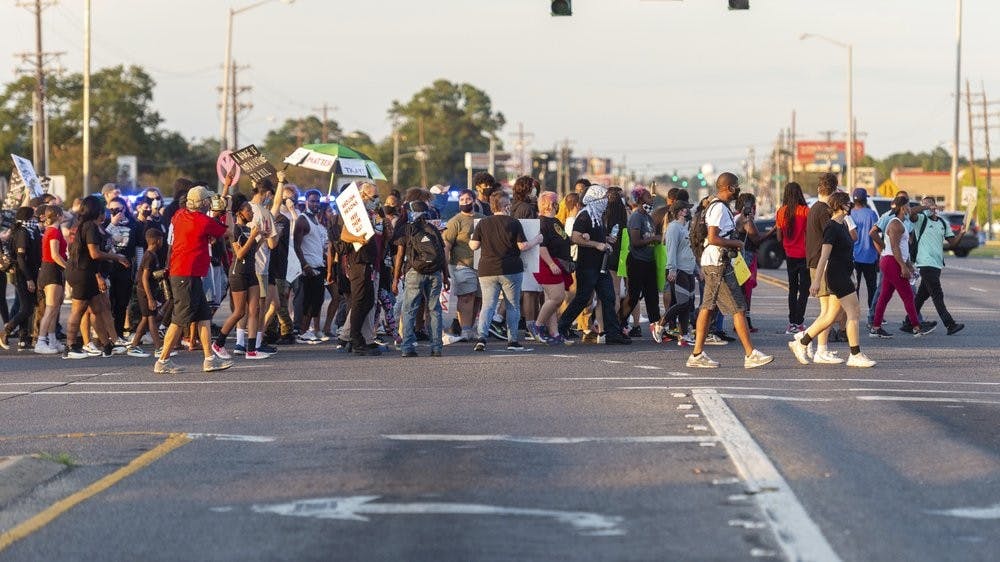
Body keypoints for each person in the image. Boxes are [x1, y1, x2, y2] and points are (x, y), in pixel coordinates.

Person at [685, 173, 772, 369]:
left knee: (717, 307)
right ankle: (748, 354)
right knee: (727, 307)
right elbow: (714, 237)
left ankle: (699, 354)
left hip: (717, 262)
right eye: (735, 186)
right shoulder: (718, 208)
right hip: (718, 262)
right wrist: (736, 242)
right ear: (727, 187)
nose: (737, 189)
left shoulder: (719, 207)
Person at [789, 191, 876, 368]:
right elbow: (823, 257)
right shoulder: (831, 227)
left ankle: (802, 342)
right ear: (839, 205)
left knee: (831, 316)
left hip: (844, 273)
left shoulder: (843, 225)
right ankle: (855, 354)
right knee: (854, 312)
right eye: (847, 203)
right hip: (836, 275)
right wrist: (816, 281)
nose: (850, 206)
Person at [154, 186, 233, 373]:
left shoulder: (180, 214)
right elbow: (227, 231)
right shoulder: (202, 221)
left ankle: (209, 359)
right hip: (186, 275)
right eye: (207, 200)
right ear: (204, 203)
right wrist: (226, 210)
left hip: (187, 273)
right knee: (179, 319)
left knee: (203, 316)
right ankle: (163, 360)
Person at [556, 185, 631, 346]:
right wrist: (597, 244)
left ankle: (612, 333)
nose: (605, 202)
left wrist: (606, 240)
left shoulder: (597, 216)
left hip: (600, 266)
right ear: (595, 200)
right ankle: (561, 327)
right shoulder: (585, 216)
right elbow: (575, 237)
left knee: (609, 297)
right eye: (602, 199)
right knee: (582, 299)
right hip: (587, 265)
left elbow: (595, 236)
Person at [470, 191, 543, 352]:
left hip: (487, 269)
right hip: (511, 269)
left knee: (487, 306)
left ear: (492, 205)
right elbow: (522, 246)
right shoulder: (513, 223)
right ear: (506, 206)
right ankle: (513, 340)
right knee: (513, 306)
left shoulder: (483, 223)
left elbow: (474, 246)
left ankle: (481, 338)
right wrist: (536, 240)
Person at [63, 196, 130, 359]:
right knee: (78, 310)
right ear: (96, 210)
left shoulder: (86, 225)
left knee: (98, 309)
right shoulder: (89, 227)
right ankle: (70, 346)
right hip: (82, 272)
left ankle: (107, 345)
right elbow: (94, 253)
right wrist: (117, 257)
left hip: (85, 271)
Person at [393, 200, 449, 357]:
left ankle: (407, 347)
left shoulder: (407, 230)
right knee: (434, 309)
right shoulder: (433, 229)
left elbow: (400, 255)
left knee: (410, 309)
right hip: (435, 273)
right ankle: (437, 347)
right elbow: (442, 254)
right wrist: (446, 276)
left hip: (414, 272)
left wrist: (395, 278)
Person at [213, 199, 267, 359]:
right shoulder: (235, 230)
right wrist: (253, 237)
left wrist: (262, 238)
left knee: (254, 310)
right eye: (248, 210)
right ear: (239, 213)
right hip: (238, 273)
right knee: (239, 312)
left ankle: (251, 350)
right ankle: (218, 344)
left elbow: (252, 251)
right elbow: (240, 254)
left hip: (251, 272)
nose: (251, 213)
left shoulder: (247, 229)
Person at [869, 194, 927, 338]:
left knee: (885, 296)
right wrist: (903, 266)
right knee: (907, 295)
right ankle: (916, 327)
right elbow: (895, 247)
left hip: (894, 260)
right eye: (908, 206)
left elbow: (903, 248)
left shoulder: (902, 222)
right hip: (891, 262)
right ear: (902, 207)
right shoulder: (895, 224)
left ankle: (876, 327)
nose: (910, 209)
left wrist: (909, 265)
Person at [338, 182, 384, 356]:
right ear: (363, 196)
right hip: (359, 262)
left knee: (368, 301)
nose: (376, 200)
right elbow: (344, 235)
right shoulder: (356, 213)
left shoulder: (369, 213)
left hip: (367, 262)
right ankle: (355, 339)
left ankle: (357, 337)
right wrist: (359, 238)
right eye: (374, 197)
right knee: (359, 301)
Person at [908, 196, 965, 335]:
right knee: (937, 295)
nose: (927, 206)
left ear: (935, 205)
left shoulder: (943, 223)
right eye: (924, 204)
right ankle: (950, 324)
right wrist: (926, 208)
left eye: (929, 204)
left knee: (922, 295)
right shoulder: (921, 220)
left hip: (937, 264)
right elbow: (911, 212)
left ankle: (909, 322)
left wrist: (961, 234)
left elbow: (952, 243)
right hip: (925, 263)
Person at [532, 191, 574, 345]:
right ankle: (537, 326)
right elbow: (541, 246)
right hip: (547, 264)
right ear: (549, 204)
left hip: (557, 263)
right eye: (556, 202)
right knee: (557, 298)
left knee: (552, 300)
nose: (559, 204)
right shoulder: (542, 222)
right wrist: (551, 264)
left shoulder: (556, 221)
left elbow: (564, 239)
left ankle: (554, 333)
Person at [443, 189, 483, 343]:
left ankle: (470, 327)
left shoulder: (483, 219)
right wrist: (445, 267)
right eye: (462, 199)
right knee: (466, 297)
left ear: (474, 200)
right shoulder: (455, 221)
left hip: (481, 265)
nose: (465, 202)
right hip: (461, 265)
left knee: (478, 298)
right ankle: (465, 329)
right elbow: (447, 245)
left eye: (468, 199)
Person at [619, 187, 660, 338]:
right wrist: (653, 239)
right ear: (641, 200)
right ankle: (620, 322)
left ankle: (657, 327)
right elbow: (635, 241)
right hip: (637, 261)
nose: (652, 200)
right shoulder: (636, 217)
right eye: (649, 197)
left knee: (652, 296)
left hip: (649, 261)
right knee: (633, 296)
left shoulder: (648, 217)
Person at [0, 207, 41, 351]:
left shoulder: (29, 231)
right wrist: (29, 279)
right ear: (28, 218)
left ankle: (23, 340)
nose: (35, 219)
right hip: (22, 274)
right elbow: (21, 259)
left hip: (28, 273)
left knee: (27, 306)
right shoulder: (22, 232)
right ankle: (7, 330)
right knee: (27, 307)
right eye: (33, 217)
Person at [658, 200, 697, 346]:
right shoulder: (674, 228)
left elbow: (689, 251)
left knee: (688, 304)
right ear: (681, 211)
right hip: (678, 269)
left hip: (688, 269)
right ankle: (661, 324)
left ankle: (684, 335)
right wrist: (672, 269)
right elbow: (671, 250)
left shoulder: (685, 228)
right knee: (683, 302)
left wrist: (696, 270)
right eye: (687, 209)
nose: (689, 212)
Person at [293, 190, 329, 343]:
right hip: (309, 267)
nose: (315, 204)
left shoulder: (316, 220)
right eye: (312, 201)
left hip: (319, 265)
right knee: (306, 301)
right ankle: (302, 331)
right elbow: (296, 245)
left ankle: (306, 330)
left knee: (316, 301)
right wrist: (304, 265)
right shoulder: (302, 220)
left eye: (317, 201)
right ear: (306, 202)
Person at [124, 228, 166, 358]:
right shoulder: (149, 256)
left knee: (145, 319)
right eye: (161, 239)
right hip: (144, 292)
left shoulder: (153, 255)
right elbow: (144, 278)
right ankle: (159, 348)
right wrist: (150, 298)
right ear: (157, 240)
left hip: (146, 291)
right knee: (151, 319)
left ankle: (134, 345)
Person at [775, 182, 810, 334]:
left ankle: (791, 323)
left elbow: (778, 237)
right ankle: (799, 321)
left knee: (792, 289)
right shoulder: (805, 211)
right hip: (805, 255)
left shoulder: (781, 212)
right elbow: (810, 234)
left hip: (790, 255)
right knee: (804, 290)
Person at [34, 205, 67, 354]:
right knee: (50, 308)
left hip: (54, 270)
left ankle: (52, 340)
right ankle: (41, 341)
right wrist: (69, 267)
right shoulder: (53, 231)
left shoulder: (53, 230)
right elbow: (54, 255)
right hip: (51, 270)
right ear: (59, 215)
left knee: (55, 308)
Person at [849, 188, 879, 317]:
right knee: (872, 287)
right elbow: (875, 235)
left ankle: (853, 314)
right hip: (869, 256)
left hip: (854, 256)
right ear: (865, 199)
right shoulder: (871, 214)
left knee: (854, 288)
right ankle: (873, 315)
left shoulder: (849, 215)